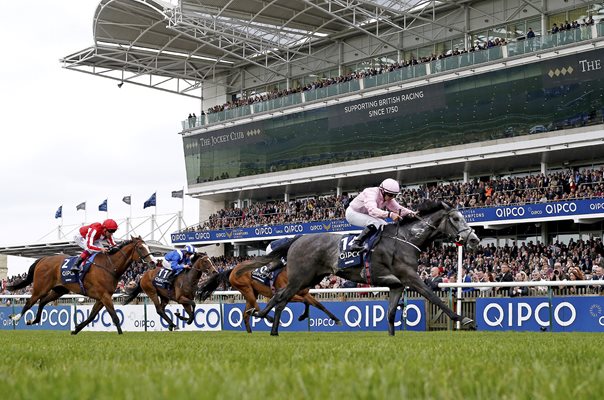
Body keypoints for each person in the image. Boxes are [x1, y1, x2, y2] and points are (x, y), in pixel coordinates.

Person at [346, 178, 416, 252]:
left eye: (394, 195)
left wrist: (411, 213)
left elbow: (398, 209)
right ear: (382, 191)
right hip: (353, 213)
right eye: (390, 195)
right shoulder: (371, 192)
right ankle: (356, 243)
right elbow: (372, 210)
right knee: (375, 223)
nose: (392, 197)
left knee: (385, 225)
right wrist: (390, 214)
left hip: (365, 213)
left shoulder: (388, 197)